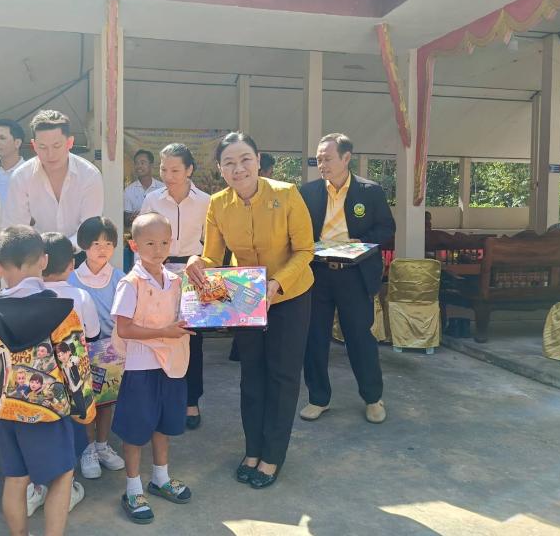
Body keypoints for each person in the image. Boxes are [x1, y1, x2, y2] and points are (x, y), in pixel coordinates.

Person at [186, 132, 314, 489]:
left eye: (245, 159)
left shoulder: (287, 194)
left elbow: (305, 250)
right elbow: (213, 256)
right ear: (220, 169)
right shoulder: (218, 204)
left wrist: (277, 283)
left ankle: (273, 455)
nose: (238, 168)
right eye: (229, 163)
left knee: (282, 376)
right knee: (251, 375)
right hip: (244, 298)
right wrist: (198, 261)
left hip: (289, 295)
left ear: (258, 160)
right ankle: (253, 450)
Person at [0, 225, 89, 536]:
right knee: (62, 476)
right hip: (49, 411)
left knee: (15, 480)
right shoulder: (62, 311)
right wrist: (84, 409)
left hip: (8, 412)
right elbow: (75, 364)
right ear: (43, 260)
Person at [299, 133, 396, 425]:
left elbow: (386, 228)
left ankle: (373, 398)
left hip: (354, 274)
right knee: (314, 339)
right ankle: (318, 398)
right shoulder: (309, 192)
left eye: (328, 158)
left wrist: (361, 242)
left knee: (359, 338)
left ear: (346, 158)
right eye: (319, 159)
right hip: (317, 273)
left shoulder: (370, 191)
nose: (322, 164)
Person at [111, 213, 194, 524]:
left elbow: (188, 314)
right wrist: (164, 333)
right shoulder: (130, 283)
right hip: (141, 366)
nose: (158, 250)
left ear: (171, 243)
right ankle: (132, 489)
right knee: (135, 430)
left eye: (163, 243)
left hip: (171, 363)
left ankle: (161, 477)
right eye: (149, 243)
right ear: (134, 245)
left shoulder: (176, 280)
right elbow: (124, 329)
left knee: (164, 424)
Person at [140, 143, 210, 429]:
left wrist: (203, 263)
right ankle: (162, 400)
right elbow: (141, 237)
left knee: (192, 340)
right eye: (163, 169)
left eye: (175, 170)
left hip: (194, 275)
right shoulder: (152, 199)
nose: (168, 176)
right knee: (160, 335)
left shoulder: (206, 201)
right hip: (160, 273)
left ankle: (191, 400)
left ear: (189, 169)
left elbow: (212, 242)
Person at [67, 217, 126, 480]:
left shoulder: (120, 278)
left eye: (108, 243)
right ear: (83, 245)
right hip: (79, 352)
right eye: (95, 243)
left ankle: (102, 445)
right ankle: (87, 449)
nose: (102, 249)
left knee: (106, 402)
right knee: (84, 401)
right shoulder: (71, 279)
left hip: (111, 350)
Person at [3, 110, 103, 245]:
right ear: (34, 145)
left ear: (70, 142)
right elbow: (16, 228)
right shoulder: (21, 177)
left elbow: (89, 227)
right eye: (42, 147)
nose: (50, 154)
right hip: (35, 251)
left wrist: (63, 249)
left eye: (57, 146)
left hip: (81, 248)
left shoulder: (89, 175)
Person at [42, 232, 101, 340]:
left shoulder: (27, 295)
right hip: (74, 350)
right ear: (72, 264)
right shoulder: (82, 296)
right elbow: (93, 334)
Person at [123, 149, 163, 227]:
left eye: (142, 163)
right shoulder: (128, 191)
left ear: (151, 165)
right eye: (136, 163)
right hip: (138, 232)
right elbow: (126, 220)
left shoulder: (162, 188)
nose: (139, 166)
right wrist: (132, 218)